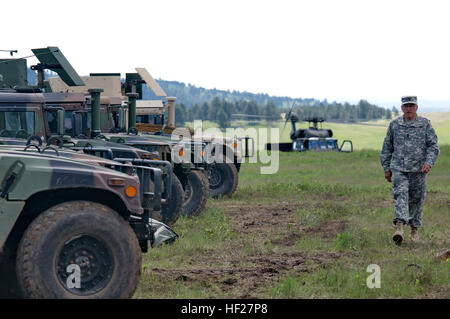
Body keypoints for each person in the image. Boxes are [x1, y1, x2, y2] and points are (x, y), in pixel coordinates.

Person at [380, 96, 439, 245]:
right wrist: (387, 168)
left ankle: (414, 231)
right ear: (402, 108)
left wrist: (428, 162)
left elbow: (433, 146)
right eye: (406, 106)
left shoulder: (425, 124)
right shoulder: (395, 125)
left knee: (417, 200)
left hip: (419, 171)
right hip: (399, 169)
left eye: (411, 106)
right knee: (401, 195)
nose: (408, 109)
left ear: (416, 107)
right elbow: (387, 147)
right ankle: (399, 228)